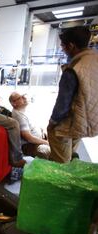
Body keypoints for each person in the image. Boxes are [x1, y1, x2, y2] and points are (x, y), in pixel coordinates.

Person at [47, 26, 98, 163]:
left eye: (63, 46)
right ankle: (71, 160)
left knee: (59, 155)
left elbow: (62, 105)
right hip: (89, 118)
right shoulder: (94, 59)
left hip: (75, 119)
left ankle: (63, 171)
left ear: (71, 46)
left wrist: (52, 122)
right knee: (72, 146)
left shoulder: (74, 69)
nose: (63, 49)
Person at [9, 92, 50, 159]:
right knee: (46, 150)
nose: (24, 97)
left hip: (39, 139)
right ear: (14, 103)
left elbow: (37, 125)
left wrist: (44, 131)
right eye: (20, 98)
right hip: (30, 145)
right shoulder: (19, 116)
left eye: (22, 96)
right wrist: (46, 142)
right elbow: (28, 138)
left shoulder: (25, 110)